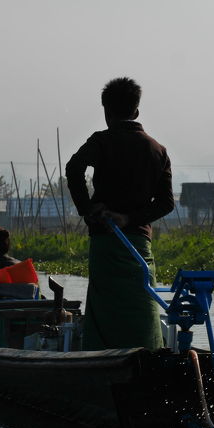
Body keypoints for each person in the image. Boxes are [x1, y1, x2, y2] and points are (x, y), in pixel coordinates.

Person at [65, 76, 174, 351]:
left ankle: (102, 361)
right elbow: (165, 204)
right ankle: (150, 353)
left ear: (106, 113)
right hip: (139, 243)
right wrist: (130, 219)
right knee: (142, 299)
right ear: (136, 111)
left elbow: (74, 168)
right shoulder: (157, 150)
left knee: (105, 307)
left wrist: (89, 209)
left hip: (106, 241)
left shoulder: (102, 141)